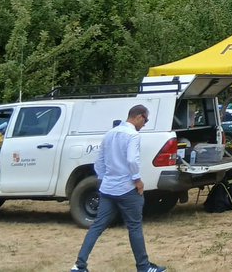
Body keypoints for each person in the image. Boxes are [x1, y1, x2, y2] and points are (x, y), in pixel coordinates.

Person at [71, 105, 166, 272]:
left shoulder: (109, 134)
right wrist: (137, 180)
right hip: (127, 188)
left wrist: (102, 180)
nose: (145, 124)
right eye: (146, 120)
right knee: (134, 227)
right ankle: (143, 267)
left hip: (108, 188)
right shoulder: (133, 136)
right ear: (138, 116)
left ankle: (79, 265)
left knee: (97, 226)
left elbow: (98, 162)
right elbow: (132, 160)